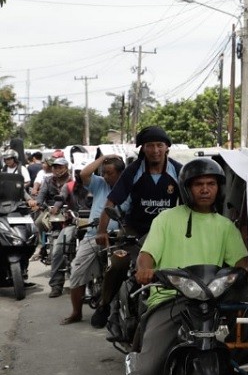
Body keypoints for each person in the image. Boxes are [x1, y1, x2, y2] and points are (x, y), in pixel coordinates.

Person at [127, 157, 248, 375]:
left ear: (218, 188)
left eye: (210, 184)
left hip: (211, 304)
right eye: (198, 184)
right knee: (146, 371)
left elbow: (241, 263)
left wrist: (247, 271)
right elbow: (146, 256)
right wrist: (144, 269)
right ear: (186, 188)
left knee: (242, 362)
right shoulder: (166, 219)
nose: (205, 190)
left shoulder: (226, 227)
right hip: (169, 300)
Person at [91, 126, 183, 329]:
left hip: (167, 234)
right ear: (143, 149)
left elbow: (190, 205)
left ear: (167, 147)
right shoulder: (134, 171)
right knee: (118, 264)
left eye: (160, 145)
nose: (156, 150)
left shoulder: (178, 170)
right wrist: (101, 230)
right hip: (134, 232)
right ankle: (104, 304)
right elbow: (111, 202)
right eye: (150, 146)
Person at [60, 155, 125, 325]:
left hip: (119, 238)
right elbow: (84, 174)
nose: (105, 176)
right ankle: (76, 312)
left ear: (120, 173)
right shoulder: (100, 185)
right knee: (77, 271)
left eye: (109, 173)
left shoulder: (129, 188)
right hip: (93, 236)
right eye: (103, 173)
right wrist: (103, 158)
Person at [31, 157, 73, 297]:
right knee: (38, 223)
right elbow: (41, 196)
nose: (57, 170)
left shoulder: (72, 181)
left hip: (69, 214)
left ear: (66, 168)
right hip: (51, 212)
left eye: (60, 167)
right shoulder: (48, 180)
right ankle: (43, 245)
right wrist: (40, 204)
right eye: (55, 167)